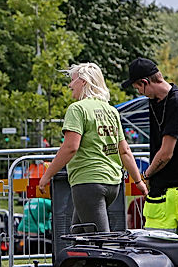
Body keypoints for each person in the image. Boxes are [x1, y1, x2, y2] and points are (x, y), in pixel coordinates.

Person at [37, 62, 146, 232]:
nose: (70, 85)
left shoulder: (77, 109)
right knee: (78, 234)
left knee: (100, 239)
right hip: (112, 183)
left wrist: (47, 175)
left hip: (88, 181)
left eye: (73, 80)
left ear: (84, 81)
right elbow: (124, 150)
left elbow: (70, 147)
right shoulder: (111, 111)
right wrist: (138, 181)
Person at [121, 57, 178, 236]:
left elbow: (166, 153)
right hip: (161, 189)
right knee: (155, 244)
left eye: (138, 88)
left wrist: (146, 175)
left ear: (145, 82)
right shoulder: (154, 102)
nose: (139, 93)